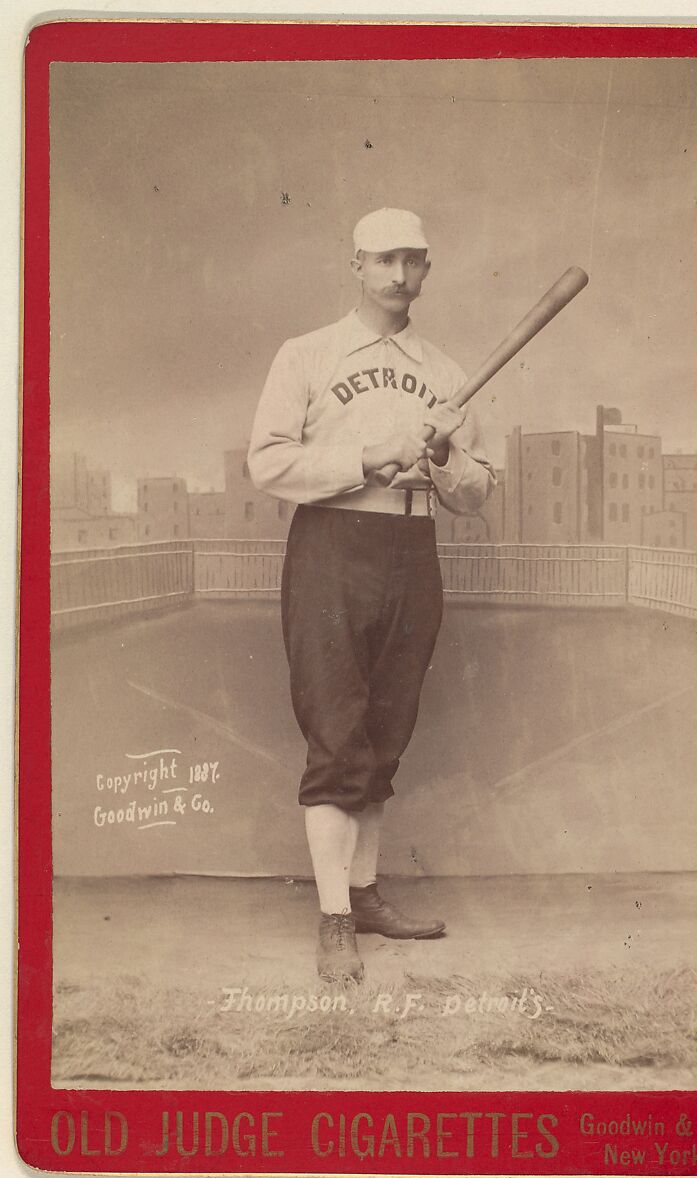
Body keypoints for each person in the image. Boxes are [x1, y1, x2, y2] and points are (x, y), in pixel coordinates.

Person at [248, 208, 495, 981]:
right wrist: (367, 454)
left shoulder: (446, 372)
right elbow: (267, 463)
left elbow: (477, 495)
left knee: (387, 730)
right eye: (384, 260)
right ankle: (331, 921)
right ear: (355, 264)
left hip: (412, 547)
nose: (399, 275)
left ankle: (364, 898)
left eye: (413, 261)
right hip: (332, 544)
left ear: (426, 270)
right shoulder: (307, 354)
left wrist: (447, 452)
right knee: (336, 728)